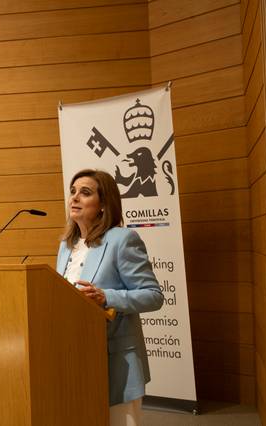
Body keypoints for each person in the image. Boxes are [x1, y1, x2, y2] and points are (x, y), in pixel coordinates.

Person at [56, 169, 164, 426]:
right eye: (73, 192)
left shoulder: (122, 240)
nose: (75, 198)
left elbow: (153, 296)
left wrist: (107, 297)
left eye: (85, 193)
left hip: (115, 358)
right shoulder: (66, 246)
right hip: (75, 355)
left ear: (103, 204)